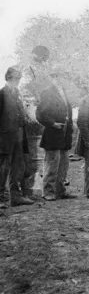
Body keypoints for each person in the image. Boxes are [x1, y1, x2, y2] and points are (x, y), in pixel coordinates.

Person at [36, 65, 77, 201]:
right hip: (53, 133)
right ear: (53, 77)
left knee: (64, 164)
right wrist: (52, 123)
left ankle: (60, 190)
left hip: (64, 135)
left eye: (63, 76)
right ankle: (48, 192)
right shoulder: (48, 92)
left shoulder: (63, 92)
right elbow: (40, 114)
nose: (61, 79)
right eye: (58, 76)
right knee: (52, 164)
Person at [0, 67, 35, 207]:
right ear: (8, 78)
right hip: (5, 138)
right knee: (3, 168)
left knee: (18, 166)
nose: (17, 81)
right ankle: (1, 198)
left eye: (18, 79)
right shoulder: (2, 94)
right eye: (15, 79)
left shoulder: (17, 93)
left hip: (19, 136)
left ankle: (15, 197)